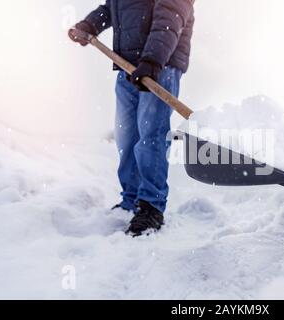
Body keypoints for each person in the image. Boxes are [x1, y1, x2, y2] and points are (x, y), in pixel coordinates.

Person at [68, 0, 195, 237]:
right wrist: (91, 24)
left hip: (159, 66)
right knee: (126, 137)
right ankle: (132, 198)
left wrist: (152, 61)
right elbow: (113, 7)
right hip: (127, 65)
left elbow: (172, 13)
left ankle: (151, 206)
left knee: (150, 137)